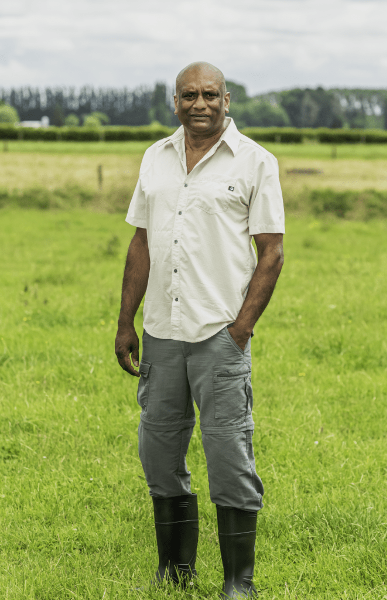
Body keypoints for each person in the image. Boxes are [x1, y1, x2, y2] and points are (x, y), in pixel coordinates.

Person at [115, 61, 285, 599]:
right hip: (162, 333)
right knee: (159, 455)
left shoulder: (256, 162)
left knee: (229, 456)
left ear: (227, 99)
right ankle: (176, 572)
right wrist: (126, 321)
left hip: (218, 334)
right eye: (189, 95)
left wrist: (240, 329)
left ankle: (239, 582)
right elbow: (140, 242)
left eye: (210, 94)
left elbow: (273, 253)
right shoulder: (155, 158)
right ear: (175, 102)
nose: (200, 103)